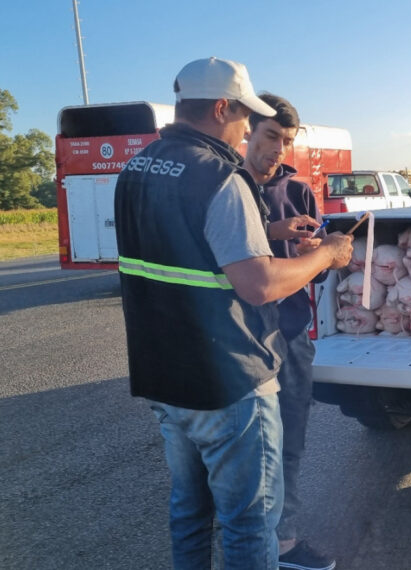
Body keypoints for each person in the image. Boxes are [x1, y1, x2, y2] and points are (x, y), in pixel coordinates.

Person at [114, 57, 352, 569]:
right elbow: (260, 284)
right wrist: (327, 255)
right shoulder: (221, 176)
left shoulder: (136, 168)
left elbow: (188, 249)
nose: (246, 129)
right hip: (228, 381)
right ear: (222, 107)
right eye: (246, 117)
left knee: (189, 512)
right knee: (250, 523)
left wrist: (270, 236)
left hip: (163, 377)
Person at [243, 92, 335, 570]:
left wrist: (313, 257)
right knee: (245, 447)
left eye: (287, 141)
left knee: (290, 442)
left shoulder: (298, 191)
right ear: (248, 132)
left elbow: (316, 272)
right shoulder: (228, 186)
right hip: (238, 337)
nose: (279, 149)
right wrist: (274, 233)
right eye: (271, 136)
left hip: (292, 333)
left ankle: (283, 542)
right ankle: (244, 539)